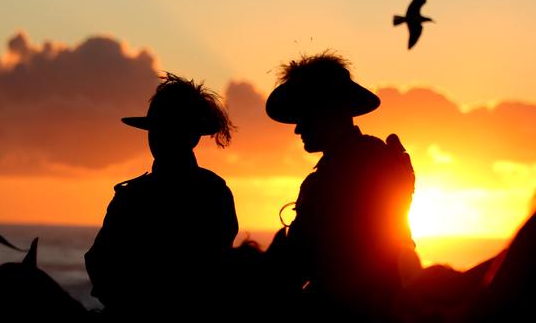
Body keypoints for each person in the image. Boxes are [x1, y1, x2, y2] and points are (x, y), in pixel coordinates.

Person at [265, 52, 418, 321]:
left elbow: (300, 263)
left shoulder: (336, 174)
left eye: (305, 115)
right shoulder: (375, 157)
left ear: (326, 111)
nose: (297, 129)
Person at [84, 73, 238, 318]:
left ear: (191, 137)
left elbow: (100, 263)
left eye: (166, 131)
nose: (157, 138)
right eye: (156, 131)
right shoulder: (215, 191)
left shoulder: (133, 196)